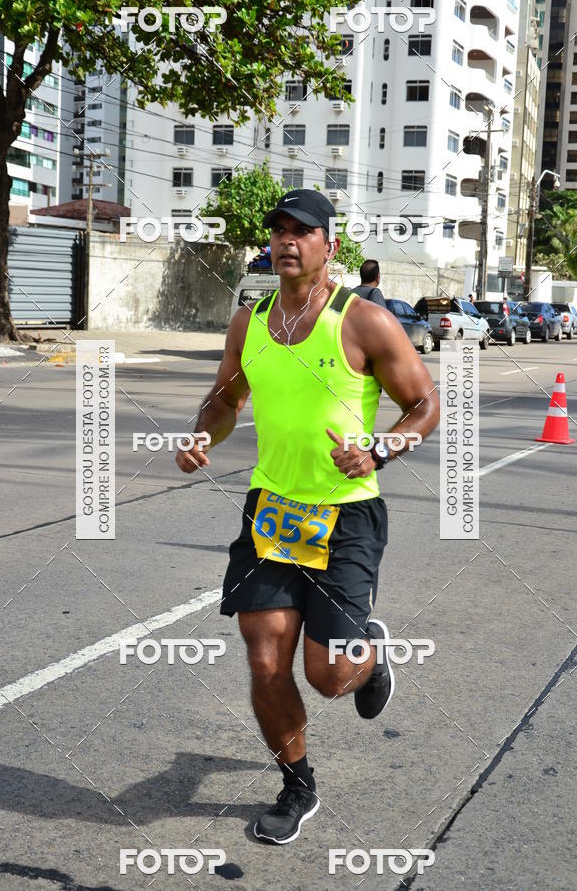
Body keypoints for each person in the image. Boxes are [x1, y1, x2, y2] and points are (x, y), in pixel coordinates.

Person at [175, 189, 440, 846]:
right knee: (265, 659)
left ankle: (369, 658)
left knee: (326, 677)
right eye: (279, 230)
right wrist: (206, 432)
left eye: (302, 231)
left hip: (346, 515)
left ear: (331, 246)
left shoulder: (365, 321)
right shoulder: (250, 321)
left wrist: (380, 448)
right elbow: (225, 396)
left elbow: (425, 405)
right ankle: (297, 785)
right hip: (274, 509)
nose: (287, 240)